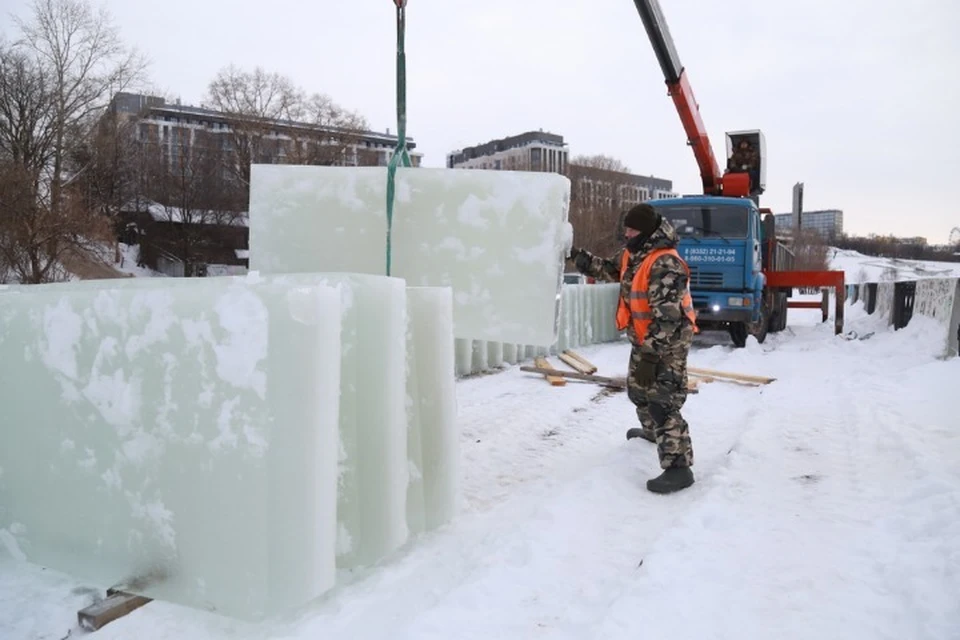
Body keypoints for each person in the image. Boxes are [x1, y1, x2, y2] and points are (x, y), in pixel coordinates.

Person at [569, 203, 698, 494]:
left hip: (669, 343)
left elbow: (669, 318)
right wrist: (575, 255)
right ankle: (653, 432)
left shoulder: (666, 263)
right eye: (626, 228)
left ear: (647, 231)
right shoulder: (633, 254)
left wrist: (652, 356)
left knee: (662, 402)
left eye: (632, 229)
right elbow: (608, 269)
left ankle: (679, 468)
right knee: (638, 390)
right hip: (644, 338)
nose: (626, 233)